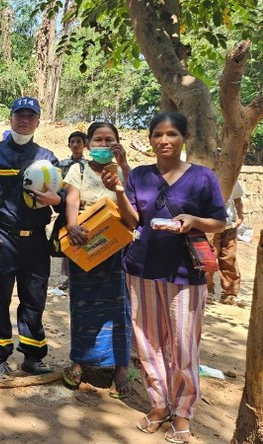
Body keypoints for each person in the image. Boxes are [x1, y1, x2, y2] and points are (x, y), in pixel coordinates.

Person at [102, 112, 226, 443]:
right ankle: (159, 405)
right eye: (157, 134)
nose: (164, 140)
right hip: (142, 269)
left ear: (183, 137)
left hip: (185, 273)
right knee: (148, 342)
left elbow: (220, 223)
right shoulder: (139, 176)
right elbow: (131, 222)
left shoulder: (202, 178)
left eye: (171, 133)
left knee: (184, 346)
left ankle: (183, 412)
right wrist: (118, 191)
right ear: (150, 139)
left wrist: (194, 220)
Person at [0, 97, 65, 378]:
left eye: (31, 116)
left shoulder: (47, 158)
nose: (25, 120)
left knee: (34, 299)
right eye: (20, 115)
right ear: (11, 118)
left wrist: (57, 198)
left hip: (36, 239)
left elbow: (61, 196)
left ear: (38, 121)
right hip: (2, 238)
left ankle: (33, 355)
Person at [61, 122, 133, 398]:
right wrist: (72, 225)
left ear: (117, 143)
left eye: (109, 140)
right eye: (98, 140)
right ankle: (79, 360)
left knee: (118, 308)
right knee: (83, 306)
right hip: (85, 248)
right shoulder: (78, 169)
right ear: (89, 143)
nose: (103, 145)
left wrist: (124, 165)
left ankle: (121, 366)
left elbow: (133, 204)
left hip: (116, 251)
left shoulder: (124, 172)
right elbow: (72, 199)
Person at [57, 130, 89, 290]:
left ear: (85, 145)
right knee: (68, 242)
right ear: (68, 144)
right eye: (72, 142)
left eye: (79, 142)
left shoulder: (89, 166)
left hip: (83, 210)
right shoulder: (61, 165)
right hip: (64, 207)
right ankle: (70, 277)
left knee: (83, 241)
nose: (75, 145)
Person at [207, 182, 244, 305]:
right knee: (210, 259)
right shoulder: (204, 176)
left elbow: (237, 199)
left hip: (229, 226)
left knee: (229, 259)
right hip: (211, 225)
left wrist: (240, 217)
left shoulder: (232, 178)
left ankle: (230, 293)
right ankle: (208, 290)